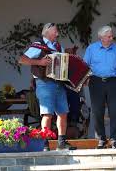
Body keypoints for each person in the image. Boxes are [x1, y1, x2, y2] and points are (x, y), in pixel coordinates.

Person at [19, 23, 75, 151]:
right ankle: (44, 144)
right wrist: (40, 62)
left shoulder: (58, 46)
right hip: (44, 83)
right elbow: (22, 60)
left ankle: (61, 143)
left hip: (59, 83)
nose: (57, 34)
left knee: (63, 113)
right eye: (55, 31)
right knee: (47, 113)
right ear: (47, 32)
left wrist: (68, 56)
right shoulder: (38, 45)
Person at [83, 25, 116, 149]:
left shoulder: (115, 49)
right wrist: (86, 79)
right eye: (109, 36)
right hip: (96, 81)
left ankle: (115, 139)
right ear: (101, 37)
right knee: (97, 112)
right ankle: (101, 139)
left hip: (112, 81)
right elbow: (84, 66)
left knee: (115, 111)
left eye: (111, 36)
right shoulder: (91, 49)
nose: (111, 38)